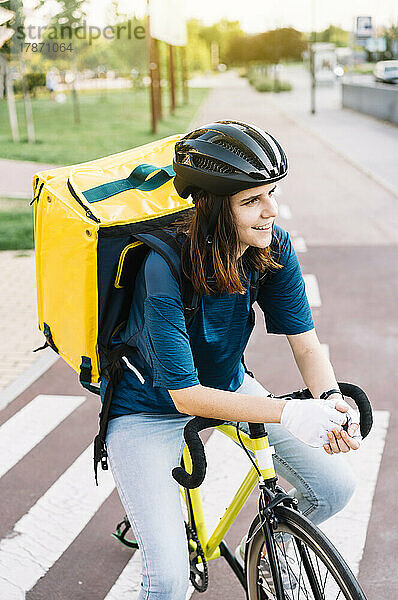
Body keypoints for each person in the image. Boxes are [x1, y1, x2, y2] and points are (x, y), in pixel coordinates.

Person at [101, 121, 361, 600]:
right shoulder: (164, 264)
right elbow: (184, 395)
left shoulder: (271, 246)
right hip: (147, 408)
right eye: (251, 201)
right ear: (215, 208)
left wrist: (329, 400)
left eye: (272, 194)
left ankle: (261, 548)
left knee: (335, 490)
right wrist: (289, 410)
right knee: (168, 581)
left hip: (228, 385)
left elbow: (305, 343)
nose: (270, 211)